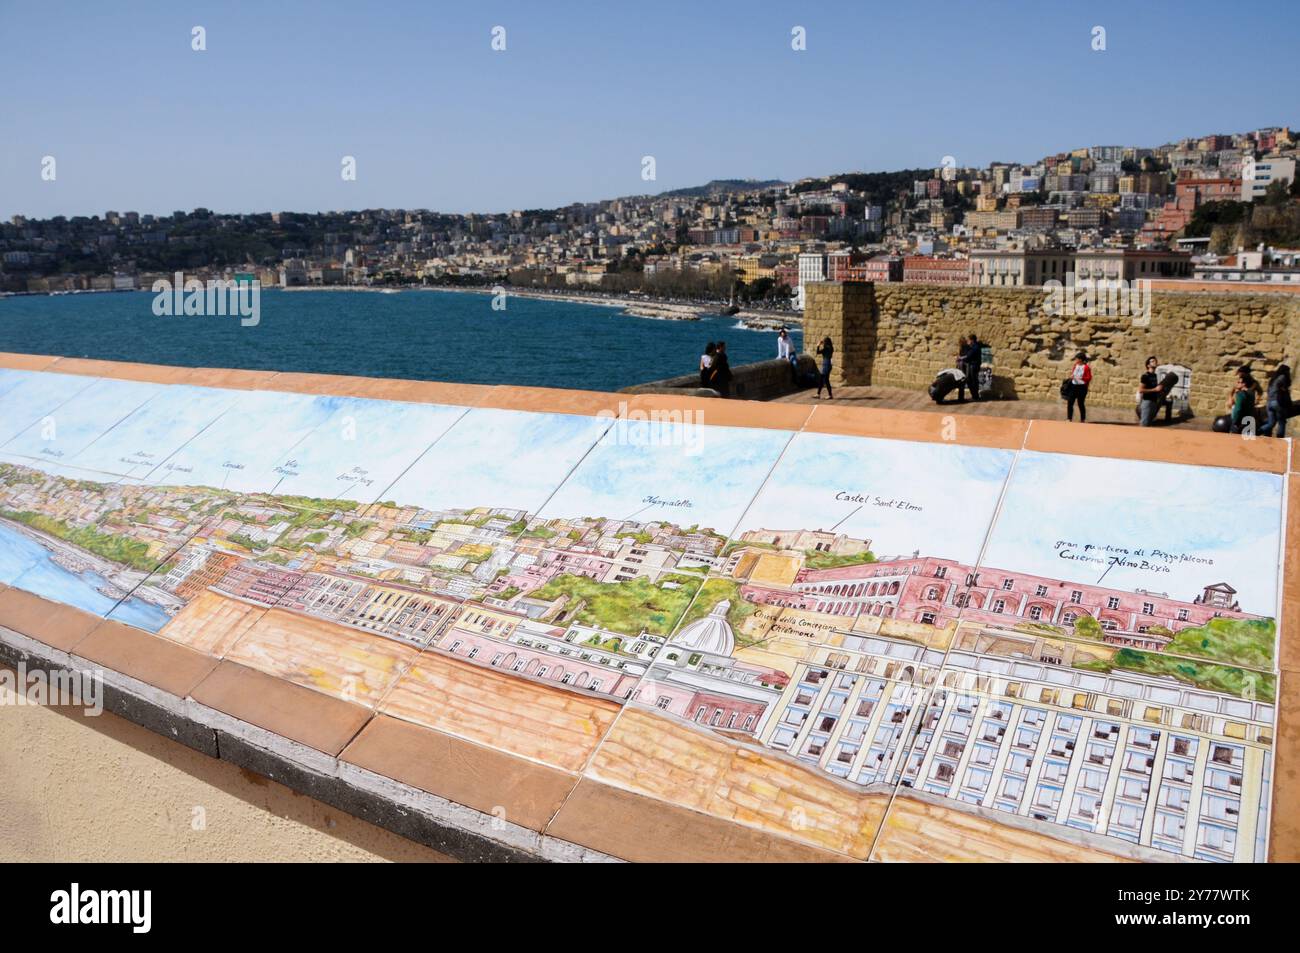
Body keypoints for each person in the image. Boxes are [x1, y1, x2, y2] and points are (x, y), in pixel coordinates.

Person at [1262, 363, 1293, 438]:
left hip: (1269, 403)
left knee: (1271, 423)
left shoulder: (1273, 379)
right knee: (1282, 422)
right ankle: (1279, 439)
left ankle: (1259, 431)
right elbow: (1283, 390)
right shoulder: (1283, 377)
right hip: (1277, 402)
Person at [1229, 365, 1262, 434]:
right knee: (1237, 419)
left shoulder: (1254, 383)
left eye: (1240, 373)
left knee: (1247, 425)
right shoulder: (1239, 381)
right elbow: (1232, 391)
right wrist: (1230, 398)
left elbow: (1260, 391)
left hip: (1249, 406)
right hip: (1239, 404)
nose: (1239, 374)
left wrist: (1257, 399)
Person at [1137, 355, 1163, 427]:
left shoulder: (1155, 375)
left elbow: (1155, 389)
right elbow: (1141, 390)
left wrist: (1159, 390)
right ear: (1148, 365)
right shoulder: (1145, 376)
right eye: (1152, 361)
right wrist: (1155, 389)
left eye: (1155, 361)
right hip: (1147, 402)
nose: (1155, 362)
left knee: (1150, 424)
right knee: (1144, 424)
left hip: (1154, 402)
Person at [1065, 351, 1091, 422]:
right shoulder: (1075, 365)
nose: (1076, 360)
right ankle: (1069, 418)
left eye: (1077, 358)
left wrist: (1081, 378)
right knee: (1070, 402)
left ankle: (1082, 419)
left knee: (1080, 403)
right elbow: (1073, 373)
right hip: (1073, 386)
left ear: (1081, 359)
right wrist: (1072, 376)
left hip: (1082, 388)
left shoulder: (1086, 367)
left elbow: (1089, 378)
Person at [964, 332, 983, 401]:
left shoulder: (975, 347)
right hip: (973, 365)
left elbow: (969, 356)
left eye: (968, 340)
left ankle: (975, 396)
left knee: (973, 381)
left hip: (974, 366)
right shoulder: (974, 347)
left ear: (972, 340)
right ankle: (974, 396)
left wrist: (963, 357)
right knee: (972, 381)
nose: (968, 342)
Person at [955, 336, 971, 401]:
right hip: (961, 365)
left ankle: (961, 397)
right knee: (961, 381)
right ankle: (960, 397)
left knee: (963, 380)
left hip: (964, 365)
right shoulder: (962, 348)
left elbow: (966, 356)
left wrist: (960, 358)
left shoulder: (967, 347)